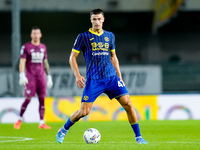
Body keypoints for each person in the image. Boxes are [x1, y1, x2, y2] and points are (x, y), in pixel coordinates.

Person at [56, 9, 148, 144]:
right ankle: (63, 130)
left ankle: (138, 137)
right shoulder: (83, 36)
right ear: (91, 20)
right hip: (94, 80)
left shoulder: (110, 36)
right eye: (94, 19)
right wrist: (77, 75)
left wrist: (119, 76)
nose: (97, 22)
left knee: (128, 104)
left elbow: (113, 57)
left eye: (99, 19)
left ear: (103, 20)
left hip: (111, 78)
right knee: (83, 112)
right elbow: (72, 57)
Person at [14, 26, 53, 129]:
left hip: (41, 77)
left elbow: (45, 62)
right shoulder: (26, 47)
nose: (36, 35)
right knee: (28, 99)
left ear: (40, 35)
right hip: (30, 77)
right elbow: (22, 62)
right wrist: (22, 74)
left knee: (42, 99)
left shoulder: (43, 47)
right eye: (34, 33)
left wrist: (49, 76)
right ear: (31, 35)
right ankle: (19, 119)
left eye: (37, 33)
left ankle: (41, 122)